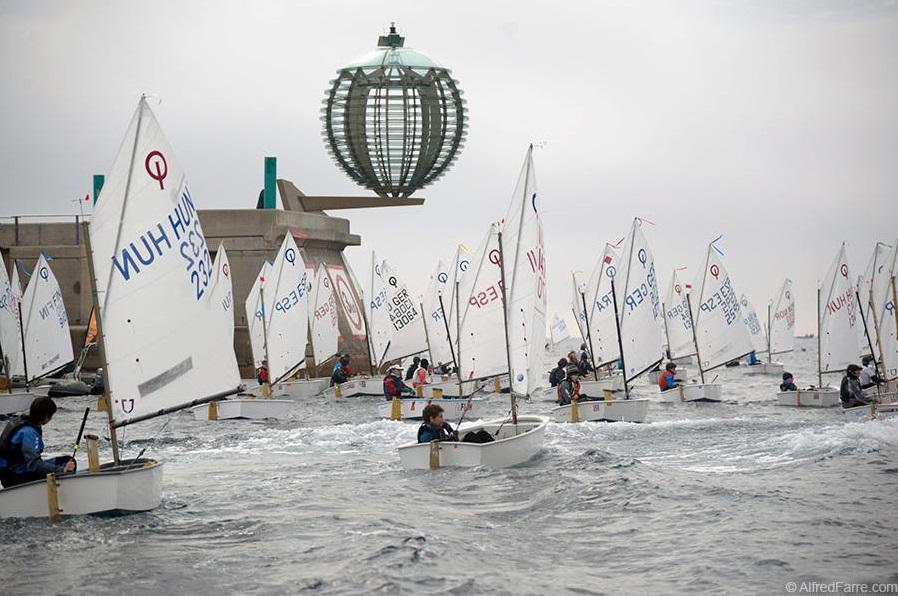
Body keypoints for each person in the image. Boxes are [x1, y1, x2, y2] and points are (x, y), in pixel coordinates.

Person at [0, 396, 76, 488]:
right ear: (46, 417)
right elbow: (35, 465)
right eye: (51, 416)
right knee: (67, 467)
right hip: (13, 478)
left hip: (11, 470)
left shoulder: (21, 421)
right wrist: (62, 470)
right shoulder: (29, 432)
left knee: (67, 460)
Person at [416, 404, 493, 444]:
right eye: (440, 417)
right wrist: (450, 437)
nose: (443, 419)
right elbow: (433, 447)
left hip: (455, 451)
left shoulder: (438, 428)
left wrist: (450, 430)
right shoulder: (426, 434)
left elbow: (455, 440)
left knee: (482, 434)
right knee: (470, 436)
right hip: (453, 454)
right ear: (432, 418)